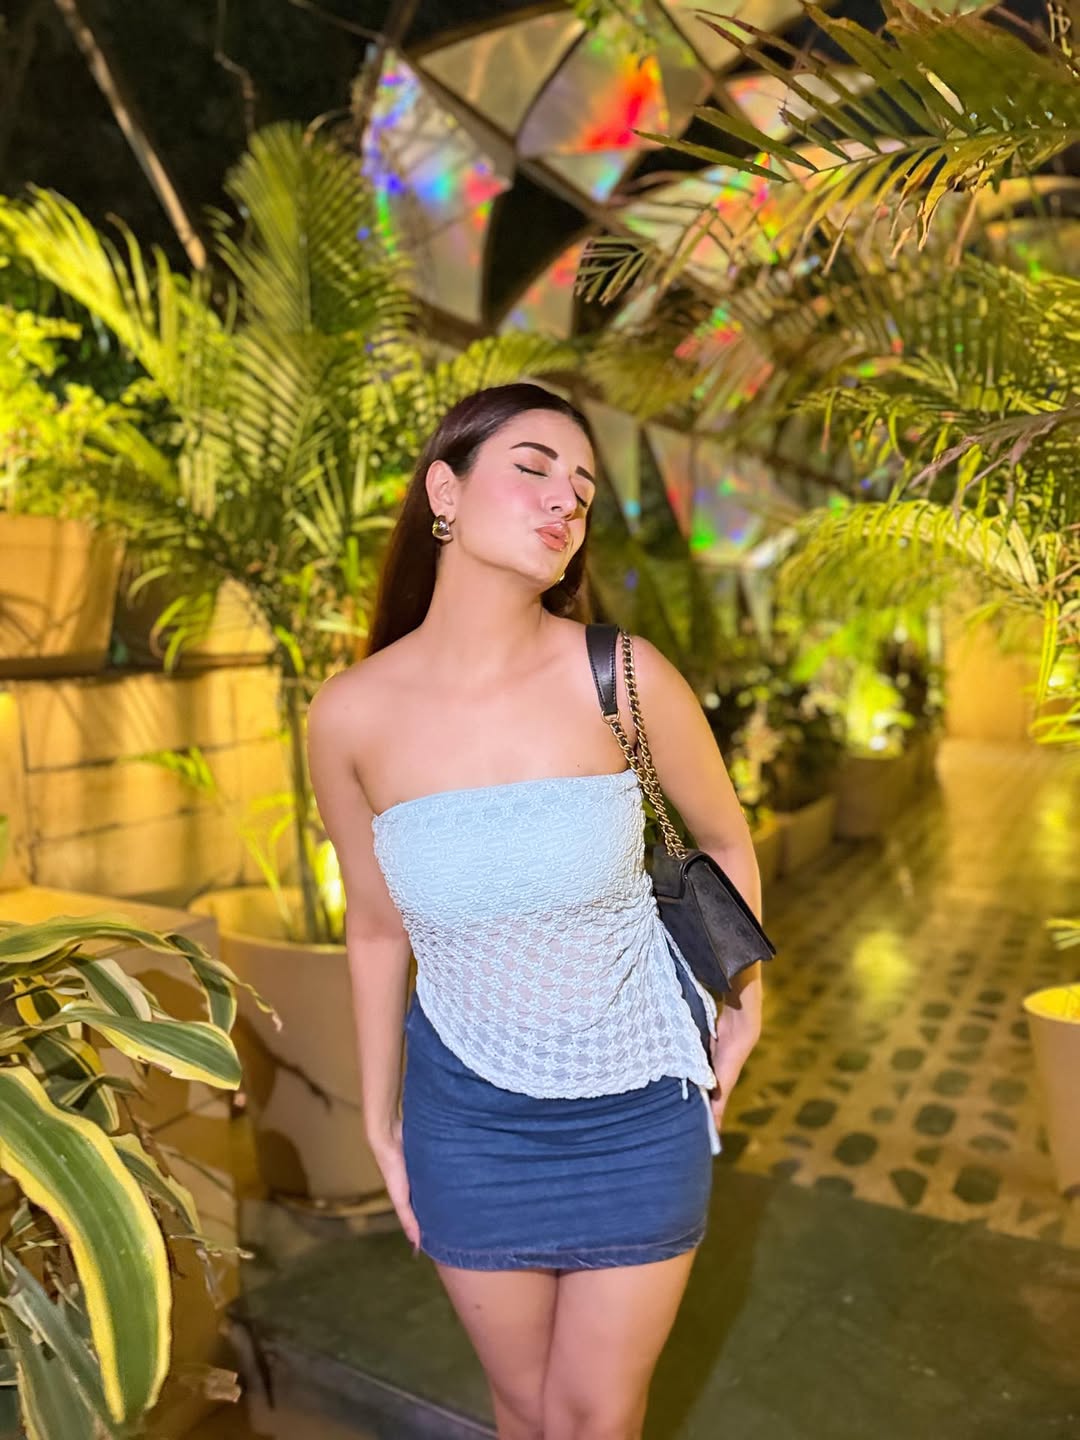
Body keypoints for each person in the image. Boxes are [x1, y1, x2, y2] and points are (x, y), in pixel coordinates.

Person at [307, 382, 764, 1440]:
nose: (567, 499)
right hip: (467, 1121)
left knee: (594, 1417)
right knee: (521, 1409)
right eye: (533, 468)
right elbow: (375, 928)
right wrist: (380, 1119)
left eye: (584, 489)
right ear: (445, 492)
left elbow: (725, 839)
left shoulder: (622, 676)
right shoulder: (350, 715)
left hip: (639, 1102)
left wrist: (747, 1001)